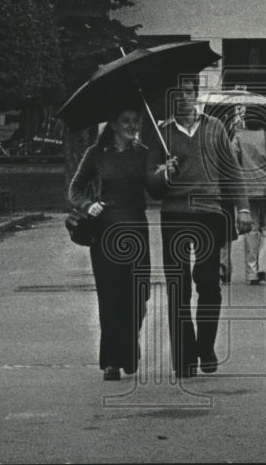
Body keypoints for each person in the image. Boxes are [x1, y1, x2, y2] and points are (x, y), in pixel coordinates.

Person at [147, 76, 251, 378]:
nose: (183, 99)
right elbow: (151, 187)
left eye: (188, 93)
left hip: (209, 213)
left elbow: (232, 172)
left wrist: (243, 207)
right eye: (177, 94)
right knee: (178, 287)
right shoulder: (161, 134)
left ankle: (205, 348)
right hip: (175, 215)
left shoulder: (215, 128)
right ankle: (184, 356)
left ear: (196, 95)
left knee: (208, 284)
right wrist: (164, 173)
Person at [69, 107, 152, 381]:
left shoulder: (143, 153)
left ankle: (129, 347)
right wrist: (88, 205)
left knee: (138, 295)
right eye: (126, 121)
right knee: (110, 296)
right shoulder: (96, 153)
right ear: (114, 125)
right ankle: (112, 361)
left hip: (137, 232)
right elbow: (75, 189)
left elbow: (156, 188)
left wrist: (168, 172)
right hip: (105, 233)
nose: (132, 126)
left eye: (135, 121)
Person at [233, 106, 266, 286]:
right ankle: (265, 269)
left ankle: (251, 273)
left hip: (246, 190)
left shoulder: (239, 136)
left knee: (251, 230)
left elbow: (233, 159)